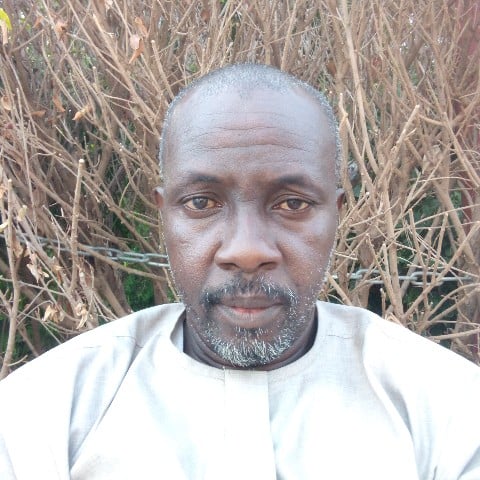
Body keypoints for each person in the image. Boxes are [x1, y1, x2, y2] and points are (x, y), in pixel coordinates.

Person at [0, 64, 479, 480]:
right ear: (164, 216)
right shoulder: (44, 413)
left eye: (292, 204)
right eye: (201, 203)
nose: (247, 251)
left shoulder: (450, 409)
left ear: (336, 215)